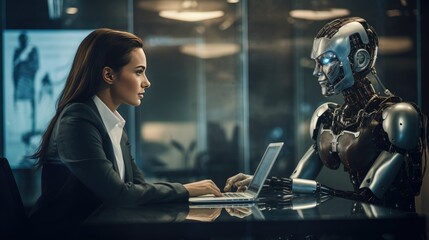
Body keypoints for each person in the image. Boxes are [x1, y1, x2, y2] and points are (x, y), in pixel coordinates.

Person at [29, 28, 221, 237]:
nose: (146, 82)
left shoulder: (111, 122)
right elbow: (119, 194)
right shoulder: (77, 120)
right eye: (139, 72)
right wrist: (185, 190)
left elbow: (137, 188)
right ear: (109, 75)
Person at [224, 17, 427, 212]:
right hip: (358, 224)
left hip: (395, 228)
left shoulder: (396, 117)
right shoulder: (329, 116)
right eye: (316, 62)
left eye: (327, 60)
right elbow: (297, 184)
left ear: (360, 59)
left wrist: (278, 186)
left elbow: (369, 197)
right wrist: (262, 184)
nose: (316, 72)